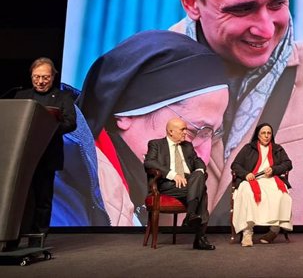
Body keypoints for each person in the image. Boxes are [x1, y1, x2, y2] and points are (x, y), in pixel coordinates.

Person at [170, 0, 303, 226]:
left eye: (278, 3)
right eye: (241, 9)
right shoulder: (134, 85)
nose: (265, 29)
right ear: (191, 3)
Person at [74, 30, 229, 226]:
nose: (204, 158)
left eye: (213, 135)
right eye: (190, 132)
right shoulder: (68, 186)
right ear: (127, 113)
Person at [14, 57, 77, 245]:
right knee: (20, 200)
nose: (41, 81)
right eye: (37, 77)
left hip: (47, 155)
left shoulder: (63, 97)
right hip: (21, 158)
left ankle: (37, 241)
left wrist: (47, 126)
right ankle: (12, 239)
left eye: (45, 77)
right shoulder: (20, 96)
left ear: (53, 77)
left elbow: (70, 123)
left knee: (43, 200)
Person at [144, 117, 215, 250]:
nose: (185, 133)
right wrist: (172, 174)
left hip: (189, 182)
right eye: (182, 130)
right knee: (202, 192)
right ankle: (199, 237)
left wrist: (199, 170)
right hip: (168, 184)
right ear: (171, 131)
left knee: (199, 176)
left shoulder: (187, 146)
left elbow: (197, 160)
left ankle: (190, 215)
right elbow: (149, 162)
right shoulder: (156, 144)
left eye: (186, 129)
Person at [231, 123, 292, 247]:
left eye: (269, 133)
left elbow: (288, 164)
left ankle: (274, 231)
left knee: (281, 194)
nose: (266, 136)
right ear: (258, 135)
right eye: (263, 133)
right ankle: (247, 233)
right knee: (247, 193)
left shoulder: (277, 148)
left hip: (271, 179)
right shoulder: (248, 148)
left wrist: (274, 169)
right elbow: (235, 165)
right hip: (251, 180)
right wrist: (246, 174)